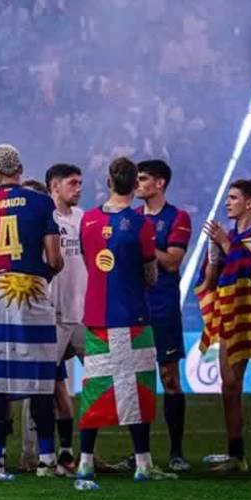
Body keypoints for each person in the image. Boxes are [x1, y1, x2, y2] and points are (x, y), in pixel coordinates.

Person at [0, 144, 63, 480]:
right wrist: (42, 276)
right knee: (41, 377)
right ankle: (47, 460)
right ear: (20, 168)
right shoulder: (41, 202)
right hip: (33, 287)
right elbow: (54, 258)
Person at [76, 157, 170, 482]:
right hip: (133, 316)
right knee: (138, 390)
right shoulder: (142, 225)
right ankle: (143, 464)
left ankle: (85, 462)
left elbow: (90, 264)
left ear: (108, 181)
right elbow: (150, 276)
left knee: (94, 388)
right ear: (134, 185)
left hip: (97, 316)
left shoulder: (87, 220)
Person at [200, 179, 251, 474]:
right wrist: (214, 256)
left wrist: (225, 243)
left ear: (249, 203)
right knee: (230, 385)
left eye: (234, 198)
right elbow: (210, 282)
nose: (228, 202)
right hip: (232, 315)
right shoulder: (228, 236)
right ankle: (236, 455)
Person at [135, 159, 192, 472]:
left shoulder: (177, 217)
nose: (138, 184)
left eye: (143, 179)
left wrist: (143, 245)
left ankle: (176, 451)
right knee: (137, 381)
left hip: (163, 307)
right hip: (134, 307)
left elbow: (171, 261)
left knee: (169, 377)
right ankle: (140, 453)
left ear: (160, 183)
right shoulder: (131, 217)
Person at [45, 162, 87, 474]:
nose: (78, 188)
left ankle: (88, 454)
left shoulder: (85, 219)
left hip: (84, 315)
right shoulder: (43, 219)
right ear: (54, 186)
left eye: (80, 183)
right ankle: (44, 453)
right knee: (46, 386)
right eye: (73, 183)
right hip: (53, 315)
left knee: (99, 384)